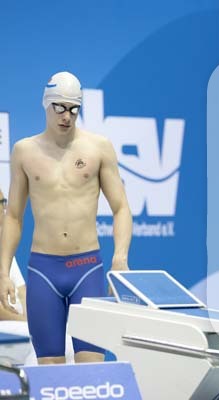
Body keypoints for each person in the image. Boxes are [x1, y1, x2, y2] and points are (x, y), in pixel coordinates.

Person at [0, 71, 133, 364]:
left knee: (92, 371)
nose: (66, 116)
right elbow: (13, 217)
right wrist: (3, 272)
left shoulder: (98, 148)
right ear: (46, 104)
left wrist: (120, 256)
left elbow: (121, 207)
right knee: (50, 372)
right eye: (59, 107)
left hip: (86, 269)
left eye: (74, 109)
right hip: (43, 271)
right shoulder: (24, 151)